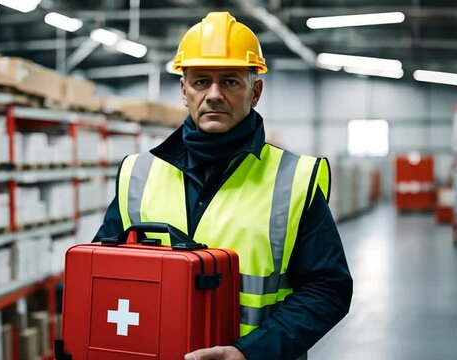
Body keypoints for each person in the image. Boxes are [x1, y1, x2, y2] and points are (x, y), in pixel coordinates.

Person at [95, 11, 353, 360]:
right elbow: (106, 273)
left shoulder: (293, 180)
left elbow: (328, 289)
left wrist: (249, 352)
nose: (214, 94)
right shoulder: (137, 175)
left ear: (255, 91)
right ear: (183, 90)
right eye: (201, 81)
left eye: (230, 81)